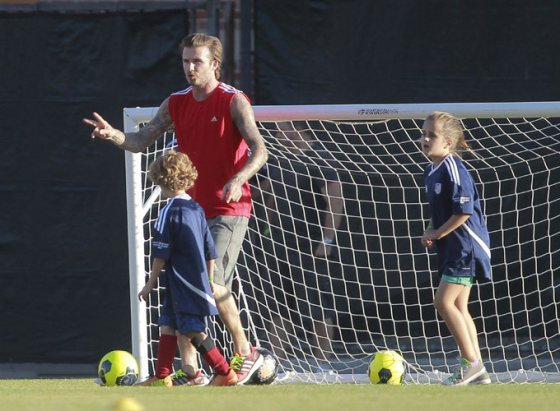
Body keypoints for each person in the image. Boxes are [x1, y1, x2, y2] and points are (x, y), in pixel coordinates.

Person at [83, 32, 268, 385]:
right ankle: (192, 369)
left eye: (196, 61)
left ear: (214, 63)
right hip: (190, 212)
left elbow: (260, 149)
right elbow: (140, 140)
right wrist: (114, 136)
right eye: (185, 61)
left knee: (211, 284)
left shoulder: (233, 101)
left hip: (229, 209)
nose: (190, 68)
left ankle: (247, 353)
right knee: (182, 287)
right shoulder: (176, 102)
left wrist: (238, 177)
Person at [138, 150, 237, 386]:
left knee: (192, 330)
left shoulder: (168, 211)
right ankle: (161, 376)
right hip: (195, 280)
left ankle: (224, 371)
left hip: (184, 282)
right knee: (168, 324)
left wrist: (149, 283)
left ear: (160, 180)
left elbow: (161, 252)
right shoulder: (196, 208)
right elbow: (210, 251)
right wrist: (210, 281)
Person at [255, 122, 344, 369]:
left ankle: (322, 362)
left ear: (296, 129)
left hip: (310, 245)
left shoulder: (319, 158)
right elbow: (271, 194)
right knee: (278, 305)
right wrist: (266, 228)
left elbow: (335, 200)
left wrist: (326, 240)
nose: (276, 135)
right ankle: (276, 361)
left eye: (281, 130)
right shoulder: (275, 160)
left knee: (317, 304)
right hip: (279, 244)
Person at [420, 111, 492, 386]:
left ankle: (469, 364)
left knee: (443, 302)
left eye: (432, 135)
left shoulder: (454, 168)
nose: (425, 139)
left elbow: (462, 212)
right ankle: (478, 370)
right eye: (423, 133)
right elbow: (441, 210)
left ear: (449, 142)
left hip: (466, 247)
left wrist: (437, 233)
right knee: (459, 305)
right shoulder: (431, 170)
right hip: (453, 246)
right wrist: (431, 229)